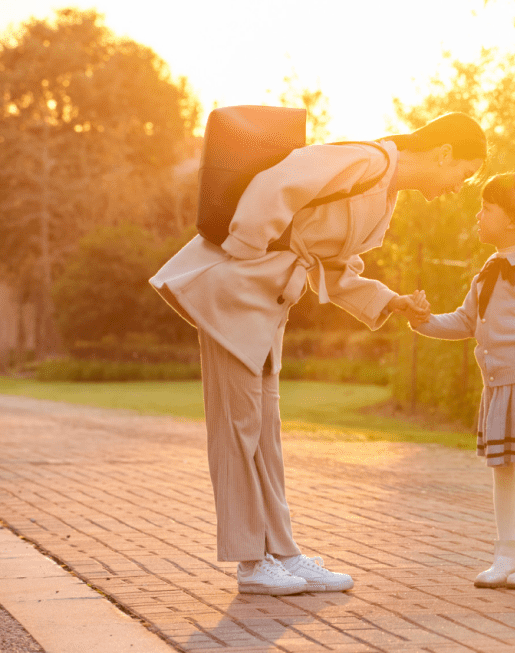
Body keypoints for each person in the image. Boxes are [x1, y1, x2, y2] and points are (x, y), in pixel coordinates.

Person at [150, 112, 486, 596]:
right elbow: (277, 183)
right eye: (464, 174)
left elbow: (331, 267)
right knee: (237, 429)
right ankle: (251, 563)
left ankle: (283, 553)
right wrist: (246, 254)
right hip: (235, 292)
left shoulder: (383, 193)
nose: (458, 186)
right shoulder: (366, 160)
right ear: (444, 153)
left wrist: (390, 301)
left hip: (267, 304)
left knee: (264, 431)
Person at [406, 173, 515, 589]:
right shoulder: (486, 274)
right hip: (499, 389)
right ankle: (506, 555)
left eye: (486, 209)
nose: (478, 216)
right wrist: (422, 320)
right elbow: (465, 321)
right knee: (503, 473)